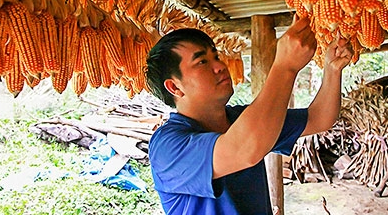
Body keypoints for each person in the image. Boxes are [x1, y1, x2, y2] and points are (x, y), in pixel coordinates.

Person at [145, 15, 354, 215]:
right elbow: (244, 149)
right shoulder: (167, 146)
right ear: (175, 87)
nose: (220, 66)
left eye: (216, 56)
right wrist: (285, 67)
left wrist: (332, 69)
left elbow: (319, 118)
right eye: (202, 62)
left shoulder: (243, 119)